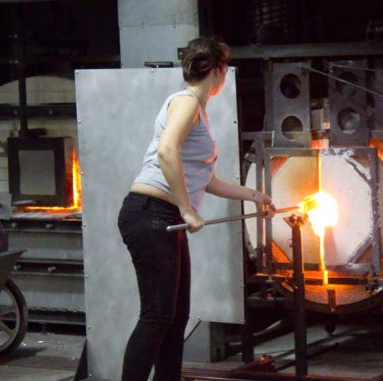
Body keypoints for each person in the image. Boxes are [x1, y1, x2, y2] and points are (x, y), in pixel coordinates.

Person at [116, 36, 275, 381]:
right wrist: (188, 210)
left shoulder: (198, 110)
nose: (226, 73)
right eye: (226, 67)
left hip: (163, 215)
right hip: (150, 212)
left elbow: (206, 178)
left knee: (175, 317)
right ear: (218, 69)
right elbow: (167, 152)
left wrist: (253, 194)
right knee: (157, 315)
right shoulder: (186, 102)